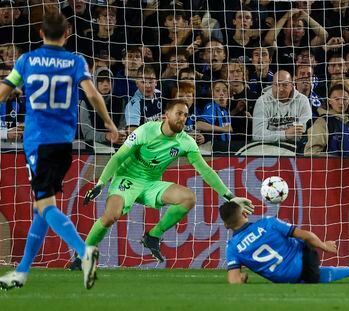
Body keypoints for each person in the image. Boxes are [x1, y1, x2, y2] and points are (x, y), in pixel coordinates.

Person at [0, 13, 118, 290]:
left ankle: (84, 251)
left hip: (38, 144)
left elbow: (4, 91)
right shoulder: (76, 61)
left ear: (40, 32)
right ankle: (21, 272)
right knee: (41, 208)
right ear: (67, 33)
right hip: (65, 144)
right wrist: (109, 123)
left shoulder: (27, 61)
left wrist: (15, 90)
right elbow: (92, 94)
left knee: (44, 205)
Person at [69, 99, 254, 269]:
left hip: (151, 184)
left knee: (188, 198)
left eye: (186, 115)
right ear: (167, 115)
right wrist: (100, 183)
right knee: (110, 216)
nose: (183, 118)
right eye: (179, 114)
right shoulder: (146, 130)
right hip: (127, 179)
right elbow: (118, 157)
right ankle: (82, 257)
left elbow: (205, 171)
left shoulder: (186, 142)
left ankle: (153, 236)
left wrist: (231, 197)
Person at [219, 201, 349, 284]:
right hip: (305, 259)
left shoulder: (232, 248)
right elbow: (305, 235)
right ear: (245, 213)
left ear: (226, 225)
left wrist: (243, 278)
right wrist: (324, 245)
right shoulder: (267, 223)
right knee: (302, 243)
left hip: (286, 275)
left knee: (312, 279)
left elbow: (234, 281)